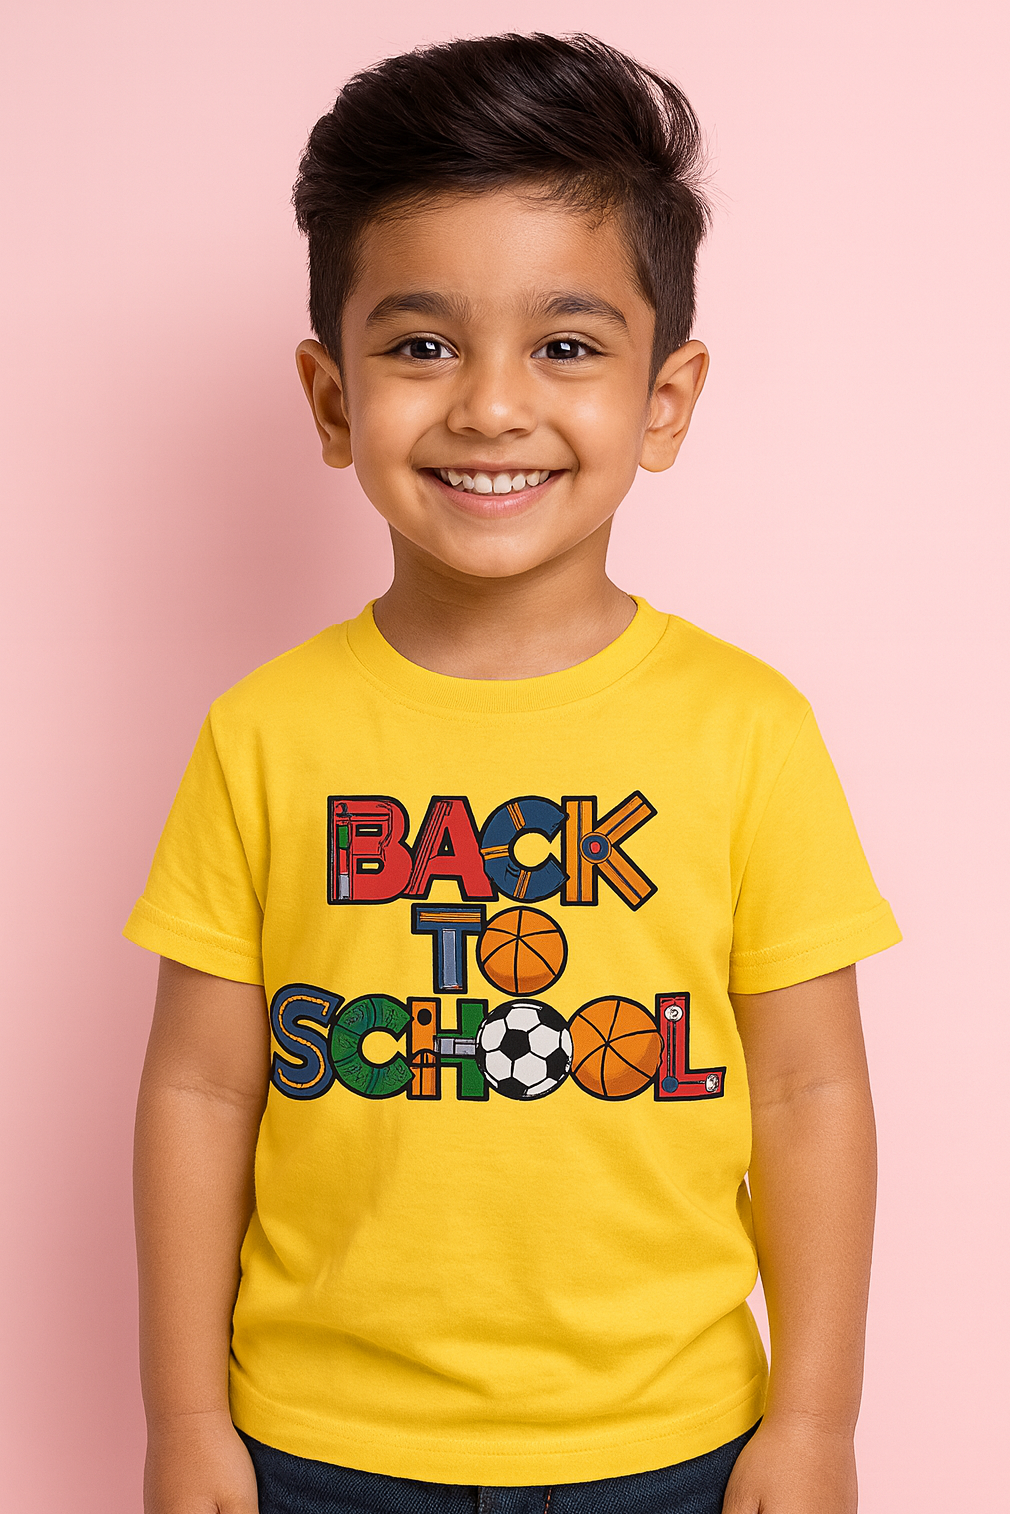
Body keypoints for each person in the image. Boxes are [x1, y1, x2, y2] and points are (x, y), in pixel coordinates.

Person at [127, 32, 901, 1514]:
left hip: (666, 1444)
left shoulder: (747, 729)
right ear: (332, 393)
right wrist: (183, 1416)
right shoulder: (263, 731)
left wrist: (812, 1421)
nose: (488, 405)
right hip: (316, 1444)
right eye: (420, 344)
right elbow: (200, 1088)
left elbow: (808, 1089)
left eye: (563, 343)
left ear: (661, 399)